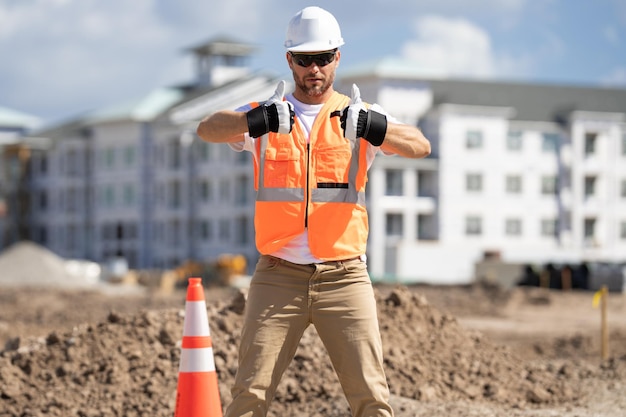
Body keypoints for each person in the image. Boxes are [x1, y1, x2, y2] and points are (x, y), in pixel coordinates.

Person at [196, 6, 431, 417]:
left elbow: (420, 145)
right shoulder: (268, 116)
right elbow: (207, 129)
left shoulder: (357, 116)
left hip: (344, 276)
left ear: (337, 57)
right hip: (278, 274)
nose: (314, 69)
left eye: (323, 58)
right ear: (290, 60)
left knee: (372, 401)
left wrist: (373, 126)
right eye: (305, 59)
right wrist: (258, 119)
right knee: (250, 396)